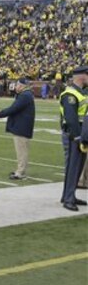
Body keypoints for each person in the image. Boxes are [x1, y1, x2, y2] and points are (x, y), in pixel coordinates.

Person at [0, 77, 35, 180]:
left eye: (17, 85)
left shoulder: (25, 96)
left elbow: (13, 109)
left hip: (21, 127)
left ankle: (20, 172)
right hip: (22, 126)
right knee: (22, 150)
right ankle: (20, 170)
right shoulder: (25, 95)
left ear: (22, 86)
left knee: (21, 151)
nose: (16, 87)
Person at [58, 66, 88, 211]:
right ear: (82, 76)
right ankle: (68, 198)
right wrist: (78, 137)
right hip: (73, 135)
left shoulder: (82, 92)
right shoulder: (70, 94)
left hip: (82, 135)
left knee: (78, 167)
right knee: (72, 167)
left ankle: (70, 195)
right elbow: (71, 119)